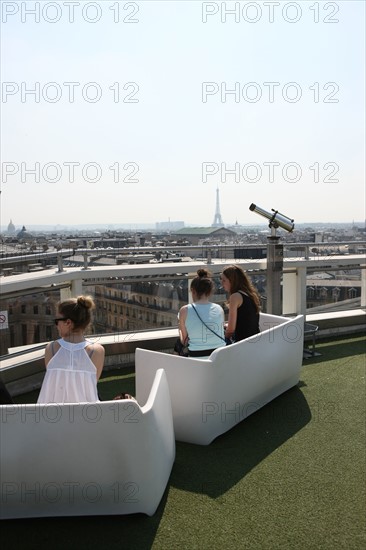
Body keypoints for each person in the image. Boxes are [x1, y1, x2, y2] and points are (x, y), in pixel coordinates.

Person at [37, 295, 105, 404]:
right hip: (87, 415)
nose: (56, 325)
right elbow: (92, 384)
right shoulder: (97, 351)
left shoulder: (51, 349)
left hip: (53, 416)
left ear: (68, 322)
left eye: (57, 321)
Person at [178, 269, 226, 358]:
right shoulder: (219, 309)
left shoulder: (184, 310)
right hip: (220, 356)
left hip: (197, 357)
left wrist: (180, 330)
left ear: (193, 291)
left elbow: (184, 341)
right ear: (210, 291)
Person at [220, 265, 261, 342]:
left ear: (232, 281)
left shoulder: (235, 297)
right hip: (255, 339)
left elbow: (231, 330)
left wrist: (222, 337)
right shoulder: (251, 294)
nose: (222, 284)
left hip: (242, 343)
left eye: (224, 280)